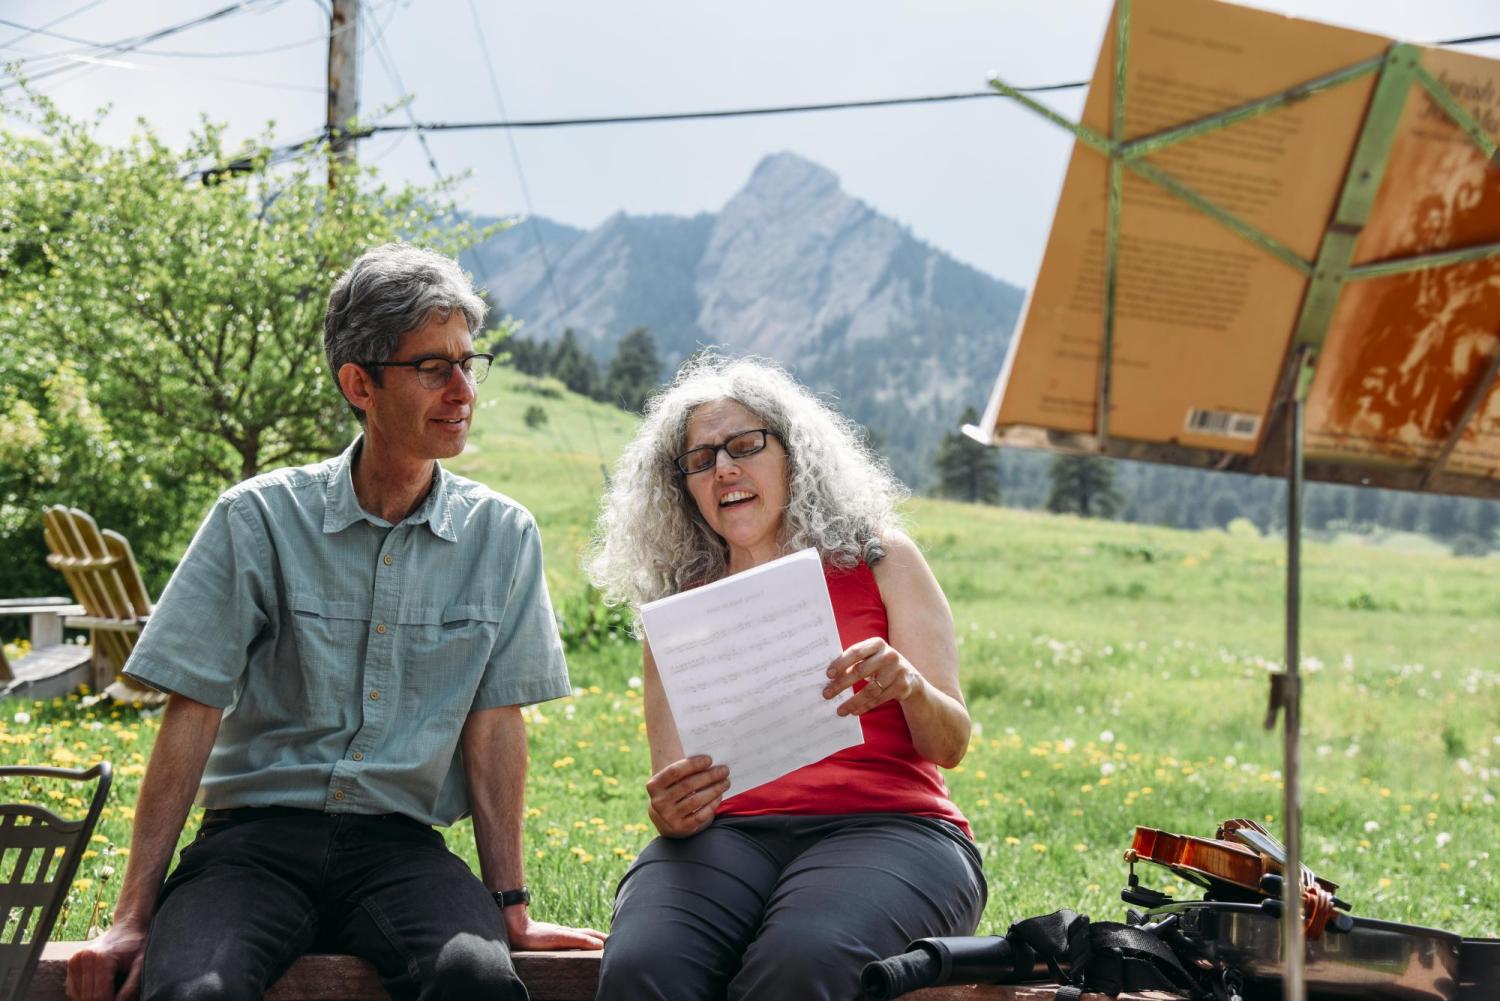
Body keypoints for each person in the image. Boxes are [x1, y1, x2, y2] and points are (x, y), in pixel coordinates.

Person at [66, 243, 604, 1001]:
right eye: (432, 367)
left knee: (477, 983)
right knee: (194, 993)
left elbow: (495, 724)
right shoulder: (256, 518)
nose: (462, 389)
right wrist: (130, 915)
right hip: (250, 844)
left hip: (402, 848)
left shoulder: (502, 535)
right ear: (360, 383)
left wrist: (511, 906)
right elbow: (192, 714)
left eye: (466, 360)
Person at [585, 355, 986, 1000]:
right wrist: (671, 807)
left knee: (801, 964)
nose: (724, 469)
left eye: (745, 445)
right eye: (702, 459)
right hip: (731, 837)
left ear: (793, 455)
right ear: (682, 486)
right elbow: (675, 792)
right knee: (642, 966)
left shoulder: (880, 558)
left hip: (892, 827)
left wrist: (909, 685)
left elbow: (952, 743)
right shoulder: (678, 606)